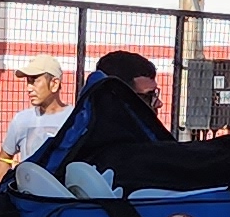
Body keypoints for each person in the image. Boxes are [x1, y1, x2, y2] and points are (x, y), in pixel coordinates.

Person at [36, 51, 169, 174]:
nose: (159, 103)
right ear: (123, 99)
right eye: (149, 96)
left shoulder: (73, 144)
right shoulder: (119, 158)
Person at [0, 62, 72, 169]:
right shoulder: (21, 120)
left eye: (34, 81)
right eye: (28, 82)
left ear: (54, 84)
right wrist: (5, 185)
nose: (29, 88)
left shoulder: (75, 119)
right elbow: (3, 160)